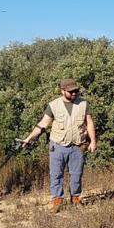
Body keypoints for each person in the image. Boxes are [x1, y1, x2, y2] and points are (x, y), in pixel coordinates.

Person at [19, 78, 97, 213]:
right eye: (71, 91)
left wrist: (93, 141)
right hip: (58, 146)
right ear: (62, 91)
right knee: (56, 175)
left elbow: (89, 123)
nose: (74, 93)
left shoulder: (84, 104)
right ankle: (57, 201)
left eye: (76, 91)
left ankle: (76, 199)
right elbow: (43, 124)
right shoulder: (53, 105)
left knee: (76, 174)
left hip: (77, 146)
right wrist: (29, 138)